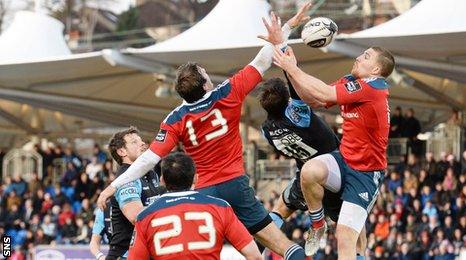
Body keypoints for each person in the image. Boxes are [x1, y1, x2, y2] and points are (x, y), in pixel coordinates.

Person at [98, 6, 311, 259]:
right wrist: (287, 27)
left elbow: (149, 159)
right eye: (205, 72)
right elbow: (263, 60)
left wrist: (113, 185)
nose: (208, 74)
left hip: (204, 192)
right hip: (235, 184)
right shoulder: (228, 92)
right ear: (205, 82)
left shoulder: (175, 118)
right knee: (282, 247)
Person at [272, 44, 395, 257]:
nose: (358, 57)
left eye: (365, 56)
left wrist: (292, 68)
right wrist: (290, 66)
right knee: (309, 171)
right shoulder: (352, 81)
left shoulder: (373, 87)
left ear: (375, 70)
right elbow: (314, 98)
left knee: (347, 239)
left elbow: (325, 92)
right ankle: (318, 224)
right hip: (344, 159)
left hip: (365, 173)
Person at [258, 77, 367, 257]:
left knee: (279, 211)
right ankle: (324, 228)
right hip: (333, 171)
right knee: (356, 231)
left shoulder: (266, 130)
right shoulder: (297, 114)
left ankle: (255, 251)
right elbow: (295, 86)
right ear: (287, 100)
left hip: (305, 176)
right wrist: (288, 65)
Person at [128, 152, 262, 260]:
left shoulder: (145, 216)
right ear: (196, 178)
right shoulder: (220, 207)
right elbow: (254, 256)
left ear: (162, 180)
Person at [106, 127, 166, 259]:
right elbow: (136, 216)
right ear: (122, 151)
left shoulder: (151, 173)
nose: (142, 143)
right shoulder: (125, 179)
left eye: (141, 140)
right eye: (134, 142)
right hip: (125, 255)